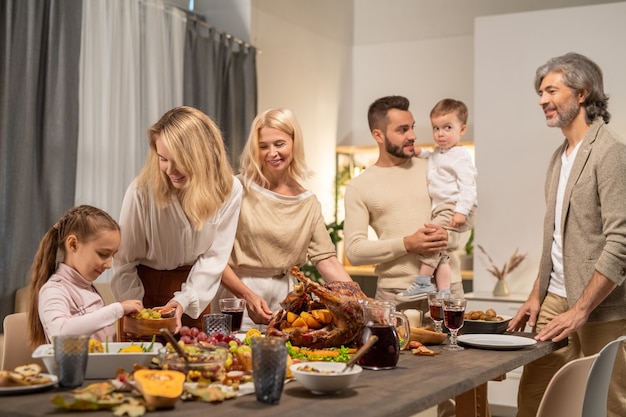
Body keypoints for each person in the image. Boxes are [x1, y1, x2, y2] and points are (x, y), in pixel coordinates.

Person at [507, 52, 626, 417]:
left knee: (606, 405)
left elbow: (620, 242)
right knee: (534, 400)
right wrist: (535, 294)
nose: (542, 100)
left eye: (551, 90)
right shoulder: (560, 157)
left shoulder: (611, 153)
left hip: (602, 308)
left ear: (582, 93)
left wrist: (581, 310)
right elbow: (557, 237)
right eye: (540, 93)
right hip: (555, 300)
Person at [211, 108, 354, 331]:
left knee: (286, 360)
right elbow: (212, 256)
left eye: (279, 144)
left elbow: (327, 261)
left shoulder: (307, 201)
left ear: (294, 143)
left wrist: (361, 302)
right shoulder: (235, 189)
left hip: (286, 297)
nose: (272, 153)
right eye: (263, 146)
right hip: (238, 294)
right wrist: (246, 295)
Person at [111, 106, 242, 333]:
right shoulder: (141, 191)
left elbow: (214, 258)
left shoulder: (229, 190)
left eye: (179, 160)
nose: (169, 170)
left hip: (196, 294)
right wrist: (142, 312)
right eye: (163, 159)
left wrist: (184, 301)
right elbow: (123, 262)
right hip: (143, 290)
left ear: (201, 156)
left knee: (197, 364)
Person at [27, 205, 143, 348]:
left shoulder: (88, 287)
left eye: (112, 255)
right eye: (103, 254)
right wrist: (117, 309)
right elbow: (60, 333)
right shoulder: (53, 289)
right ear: (73, 244)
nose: (109, 265)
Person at [397, 99, 477, 302]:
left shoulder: (460, 156)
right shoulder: (440, 153)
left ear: (462, 129)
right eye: (436, 128)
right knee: (441, 252)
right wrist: (419, 152)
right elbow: (432, 158)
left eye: (447, 128)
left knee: (433, 239)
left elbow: (469, 187)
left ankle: (423, 280)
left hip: (454, 206)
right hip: (444, 207)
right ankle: (444, 291)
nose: (440, 133)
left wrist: (461, 211)